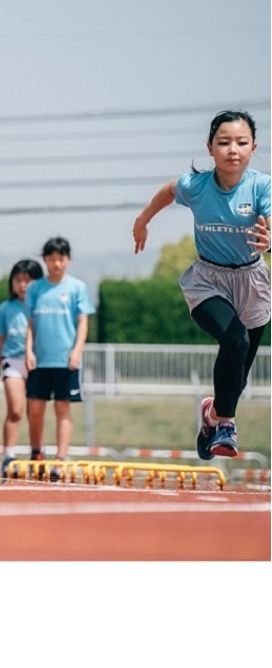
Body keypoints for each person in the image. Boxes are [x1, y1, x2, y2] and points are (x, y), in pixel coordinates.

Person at [133, 110, 270, 460]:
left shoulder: (261, 185)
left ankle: (212, 415)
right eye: (223, 142)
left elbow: (269, 219)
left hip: (251, 279)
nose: (232, 149)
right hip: (208, 279)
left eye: (241, 142)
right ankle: (225, 424)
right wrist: (143, 219)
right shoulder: (196, 185)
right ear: (210, 148)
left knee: (236, 380)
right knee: (234, 339)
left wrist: (268, 236)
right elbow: (167, 191)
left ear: (253, 147)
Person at [24, 237, 95, 480]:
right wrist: (28, 350)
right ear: (45, 260)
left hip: (66, 360)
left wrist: (77, 351)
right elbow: (30, 323)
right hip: (39, 359)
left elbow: (83, 321)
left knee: (62, 408)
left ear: (68, 260)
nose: (56, 263)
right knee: (34, 407)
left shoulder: (76, 288)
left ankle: (60, 458)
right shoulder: (35, 289)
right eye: (52, 258)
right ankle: (36, 453)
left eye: (61, 258)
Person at [0, 259, 44, 477]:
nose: (22, 285)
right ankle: (9, 455)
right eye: (18, 280)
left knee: (35, 412)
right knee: (16, 409)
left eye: (28, 281)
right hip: (13, 362)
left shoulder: (42, 307)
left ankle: (37, 452)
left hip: (38, 363)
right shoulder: (6, 308)